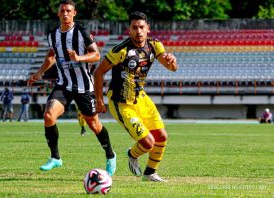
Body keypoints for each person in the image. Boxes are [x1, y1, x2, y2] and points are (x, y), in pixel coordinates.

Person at [28, 0, 116, 176]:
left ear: (74, 13)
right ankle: (55, 158)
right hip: (64, 84)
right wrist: (39, 74)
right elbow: (52, 55)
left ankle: (110, 155)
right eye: (62, 11)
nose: (65, 13)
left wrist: (79, 58)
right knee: (48, 115)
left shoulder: (81, 32)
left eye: (69, 10)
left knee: (93, 124)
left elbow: (96, 55)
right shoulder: (52, 35)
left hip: (84, 87)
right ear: (58, 13)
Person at [94, 11, 178, 182]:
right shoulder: (120, 50)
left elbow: (171, 67)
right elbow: (98, 72)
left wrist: (172, 62)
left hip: (141, 98)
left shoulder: (155, 45)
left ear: (147, 28)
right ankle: (132, 154)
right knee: (148, 143)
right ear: (129, 30)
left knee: (161, 137)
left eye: (141, 27)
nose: (138, 31)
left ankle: (150, 173)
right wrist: (99, 100)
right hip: (121, 103)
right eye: (134, 27)